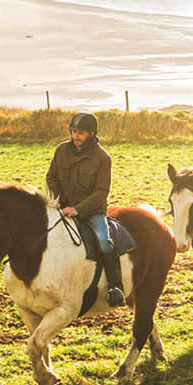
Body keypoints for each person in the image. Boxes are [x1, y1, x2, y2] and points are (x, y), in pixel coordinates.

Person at [46, 111, 123, 305]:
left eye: (80, 133)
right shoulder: (61, 150)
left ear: (91, 133)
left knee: (105, 242)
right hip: (61, 208)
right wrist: (58, 201)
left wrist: (78, 209)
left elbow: (101, 192)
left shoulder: (102, 158)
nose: (75, 137)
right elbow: (51, 177)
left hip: (91, 212)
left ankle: (116, 287)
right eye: (72, 131)